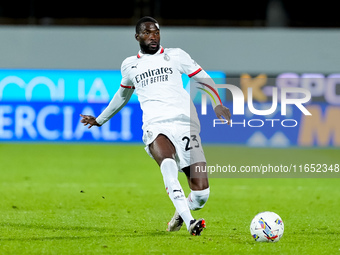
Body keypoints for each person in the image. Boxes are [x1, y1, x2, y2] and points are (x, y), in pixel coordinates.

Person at [80, 16, 231, 236]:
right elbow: (122, 94)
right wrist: (100, 119)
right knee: (167, 166)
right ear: (137, 36)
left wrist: (217, 103)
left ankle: (181, 212)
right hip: (156, 125)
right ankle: (190, 222)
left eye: (157, 32)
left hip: (185, 125)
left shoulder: (176, 56)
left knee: (201, 194)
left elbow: (204, 78)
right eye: (148, 32)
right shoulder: (130, 65)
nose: (153, 36)